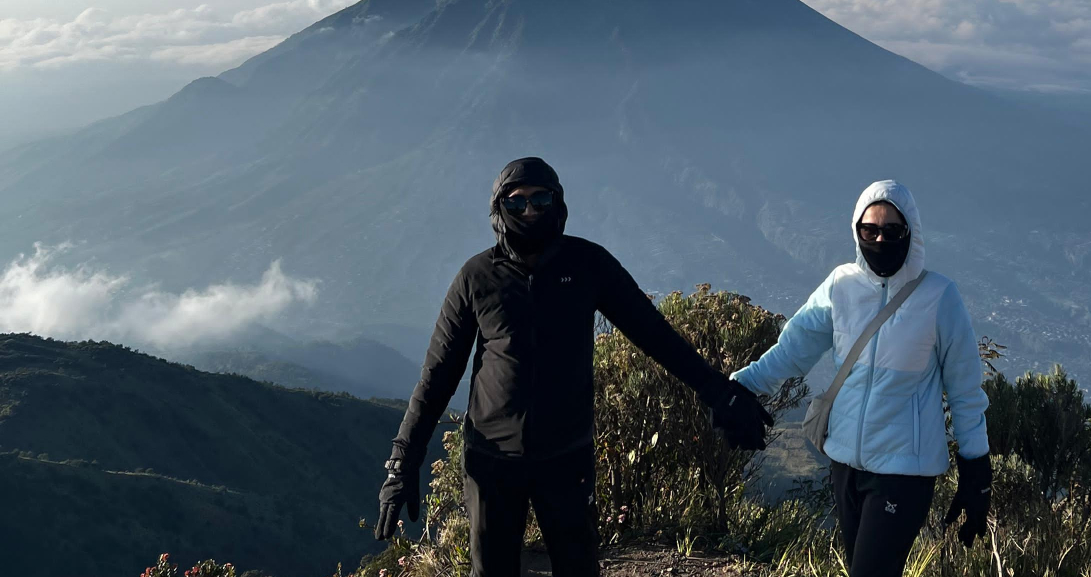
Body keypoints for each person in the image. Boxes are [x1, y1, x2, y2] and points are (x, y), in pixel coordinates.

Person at [375, 156, 773, 577]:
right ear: (499, 210)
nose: (529, 211)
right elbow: (437, 375)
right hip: (492, 460)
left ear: (557, 204)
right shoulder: (476, 277)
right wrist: (404, 460)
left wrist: (717, 390)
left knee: (579, 569)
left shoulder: (588, 264)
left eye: (540, 199)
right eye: (516, 203)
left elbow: (654, 334)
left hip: (566, 457)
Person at [728, 180, 992, 577]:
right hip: (845, 465)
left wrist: (977, 469)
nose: (880, 239)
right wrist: (737, 388)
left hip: (904, 473)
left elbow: (965, 391)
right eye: (870, 231)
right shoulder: (841, 285)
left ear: (911, 233)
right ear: (857, 231)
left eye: (892, 231)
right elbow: (792, 349)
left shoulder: (940, 297)